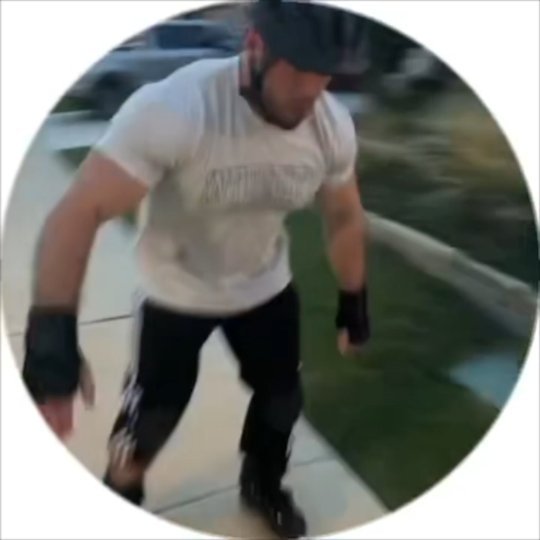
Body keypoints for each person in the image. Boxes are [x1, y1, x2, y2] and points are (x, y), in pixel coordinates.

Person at [22, 0, 370, 537]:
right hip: (175, 293)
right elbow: (78, 211)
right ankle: (121, 496)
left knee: (282, 400)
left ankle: (263, 483)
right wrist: (51, 337)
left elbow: (344, 215)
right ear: (256, 47)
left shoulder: (329, 125)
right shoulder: (175, 109)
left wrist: (354, 298)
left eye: (324, 72)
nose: (311, 91)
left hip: (264, 288)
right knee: (149, 421)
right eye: (300, 67)